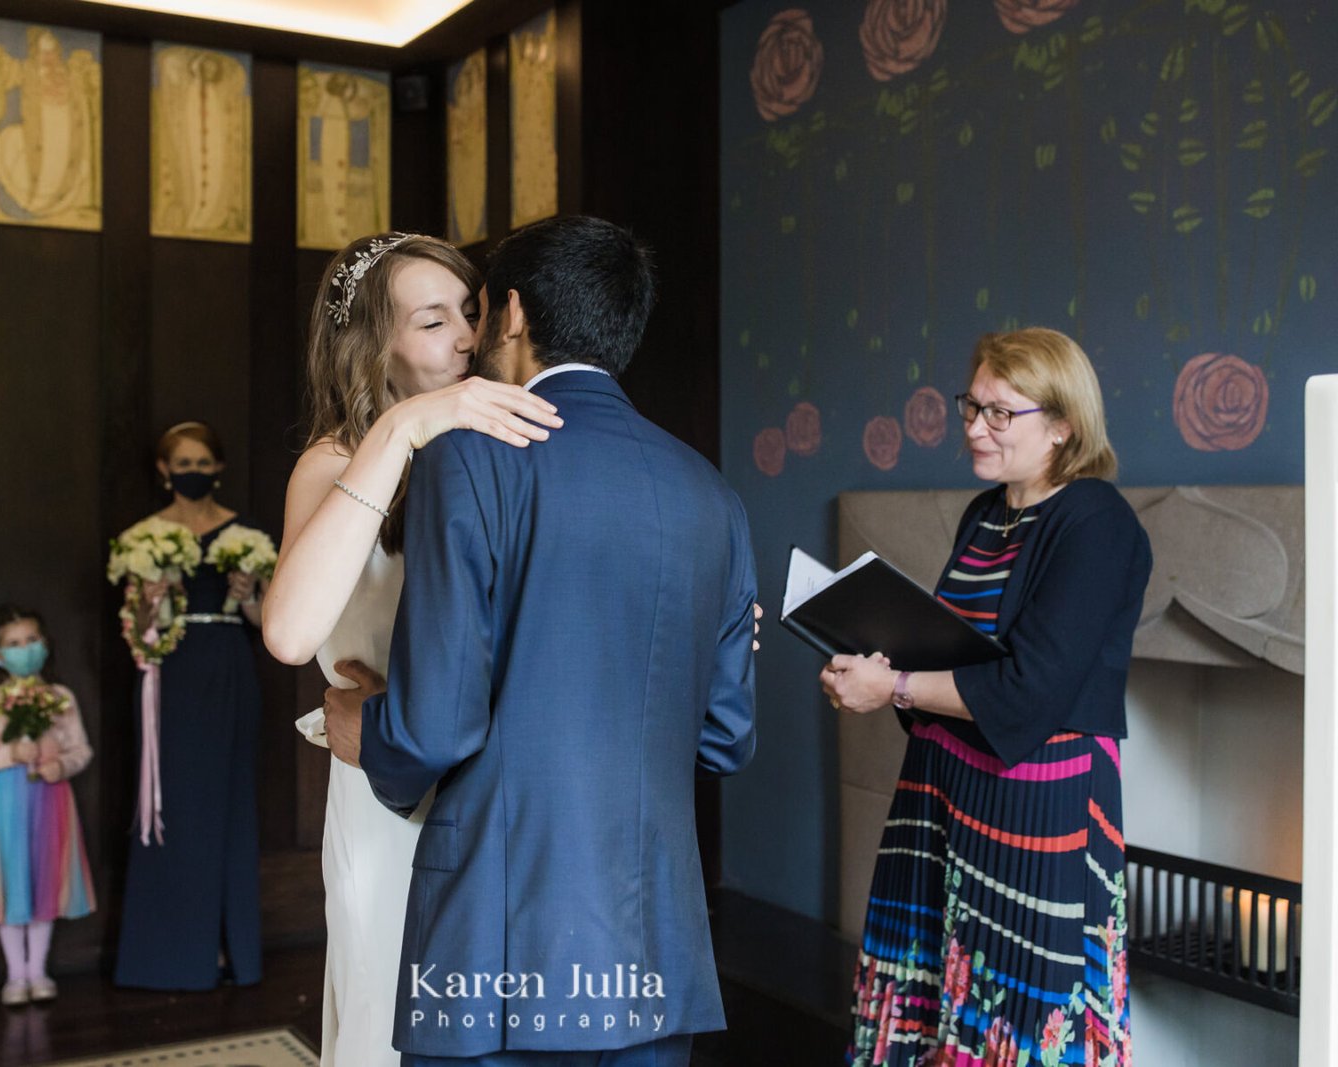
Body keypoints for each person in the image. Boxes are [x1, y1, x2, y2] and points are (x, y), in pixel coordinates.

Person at [324, 215, 758, 1067]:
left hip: (500, 937)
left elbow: (435, 726)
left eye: (477, 312)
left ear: (512, 314)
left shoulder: (473, 455)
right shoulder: (712, 494)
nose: (471, 336)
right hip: (654, 948)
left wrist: (357, 725)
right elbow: (725, 736)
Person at [260, 231, 563, 1067]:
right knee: (394, 1020)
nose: (467, 336)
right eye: (432, 320)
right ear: (373, 347)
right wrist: (399, 430)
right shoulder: (333, 463)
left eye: (471, 312)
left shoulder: (506, 449)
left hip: (504, 791)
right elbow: (288, 632)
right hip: (391, 798)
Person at [821, 328, 1151, 1066]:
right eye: (972, 405)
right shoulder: (986, 513)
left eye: (1001, 412)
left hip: (1034, 803)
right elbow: (955, 648)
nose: (973, 426)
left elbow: (1033, 685)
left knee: (1016, 1014)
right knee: (930, 999)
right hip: (942, 789)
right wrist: (872, 668)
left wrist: (896, 685)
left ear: (1063, 425)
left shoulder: (1095, 520)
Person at [113, 421, 268, 990]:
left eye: (203, 462)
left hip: (228, 663)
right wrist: (152, 601)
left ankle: (232, 948)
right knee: (175, 804)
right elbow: (136, 633)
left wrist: (247, 593)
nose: (194, 472)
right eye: (183, 463)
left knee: (228, 800)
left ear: (219, 467)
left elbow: (266, 625)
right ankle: (176, 953)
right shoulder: (143, 537)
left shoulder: (244, 533)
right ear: (163, 470)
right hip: (171, 673)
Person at [0, 605, 95, 1007]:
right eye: (14, 644)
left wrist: (61, 765)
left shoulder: (61, 698)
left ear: (45, 645)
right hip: (3, 804)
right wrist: (12, 753)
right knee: (9, 881)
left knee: (45, 878)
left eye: (31, 640)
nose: (25, 650)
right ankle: (15, 975)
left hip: (50, 801)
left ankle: (38, 971)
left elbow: (81, 749)